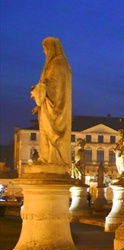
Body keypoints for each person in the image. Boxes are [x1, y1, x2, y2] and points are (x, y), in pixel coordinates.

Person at [30, 37, 72, 167]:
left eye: (45, 48)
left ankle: (51, 159)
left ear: (51, 48)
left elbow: (54, 86)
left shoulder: (57, 63)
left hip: (54, 107)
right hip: (48, 105)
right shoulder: (57, 63)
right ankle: (46, 157)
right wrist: (40, 102)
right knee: (45, 132)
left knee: (49, 132)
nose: (44, 52)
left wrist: (38, 90)